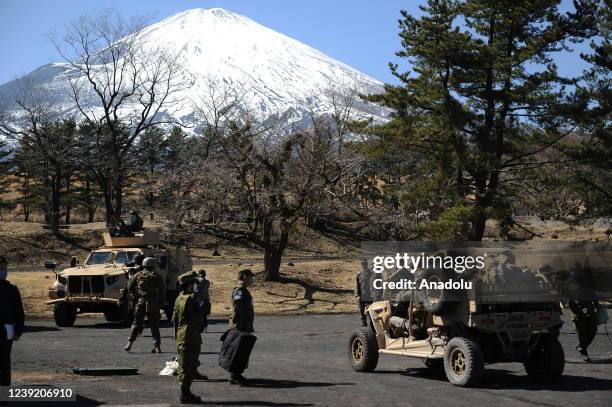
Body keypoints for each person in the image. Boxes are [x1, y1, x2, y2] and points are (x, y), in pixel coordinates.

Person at [173, 272, 205, 404]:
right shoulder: (190, 299)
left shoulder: (179, 298)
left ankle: (186, 392)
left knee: (185, 364)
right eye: (193, 284)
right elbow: (198, 314)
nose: (195, 286)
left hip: (183, 334)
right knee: (187, 365)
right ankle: (185, 394)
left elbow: (175, 320)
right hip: (190, 335)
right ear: (188, 285)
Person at [123, 257, 164, 353]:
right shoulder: (156, 276)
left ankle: (129, 343)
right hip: (153, 303)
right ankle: (157, 346)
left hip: (140, 302)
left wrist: (136, 295)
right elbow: (162, 290)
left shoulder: (138, 274)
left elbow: (129, 287)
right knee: (154, 325)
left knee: (136, 323)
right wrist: (161, 302)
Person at [0, 256, 25, 387]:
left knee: (4, 361)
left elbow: (19, 314)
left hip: (7, 330)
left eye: (4, 269)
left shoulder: (12, 289)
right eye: (0, 269)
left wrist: (18, 331)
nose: (3, 271)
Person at [228, 269, 255, 385]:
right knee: (238, 351)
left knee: (242, 351)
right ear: (244, 277)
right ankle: (234, 375)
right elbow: (236, 309)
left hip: (244, 325)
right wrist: (237, 325)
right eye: (250, 277)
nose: (252, 279)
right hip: (240, 325)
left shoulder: (244, 290)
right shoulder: (239, 291)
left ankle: (236, 374)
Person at [355, 259, 372, 326]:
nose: (364, 265)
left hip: (369, 295)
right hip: (361, 295)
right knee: (361, 310)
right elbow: (356, 285)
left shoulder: (371, 274)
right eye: (362, 264)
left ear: (367, 265)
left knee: (371, 310)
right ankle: (363, 323)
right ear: (361, 265)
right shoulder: (358, 274)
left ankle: (372, 323)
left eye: (365, 264)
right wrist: (357, 295)